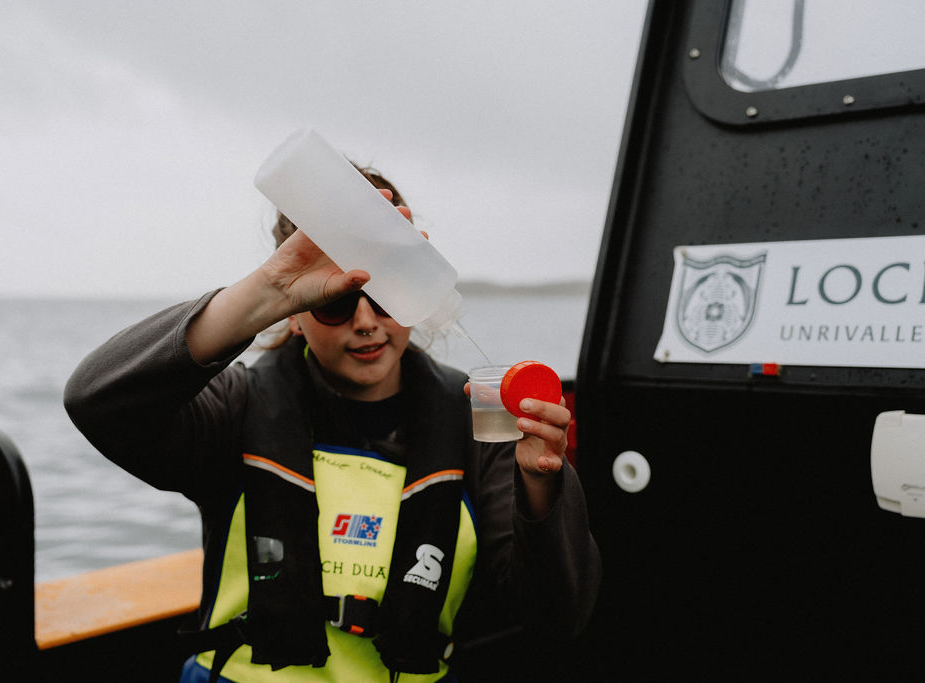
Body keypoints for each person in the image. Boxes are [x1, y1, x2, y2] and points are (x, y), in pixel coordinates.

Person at [63, 166, 600, 682]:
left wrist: (543, 485)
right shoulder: (237, 407)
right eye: (337, 301)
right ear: (294, 311)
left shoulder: (477, 425)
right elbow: (98, 400)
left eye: (386, 293)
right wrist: (261, 294)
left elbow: (557, 616)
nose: (366, 321)